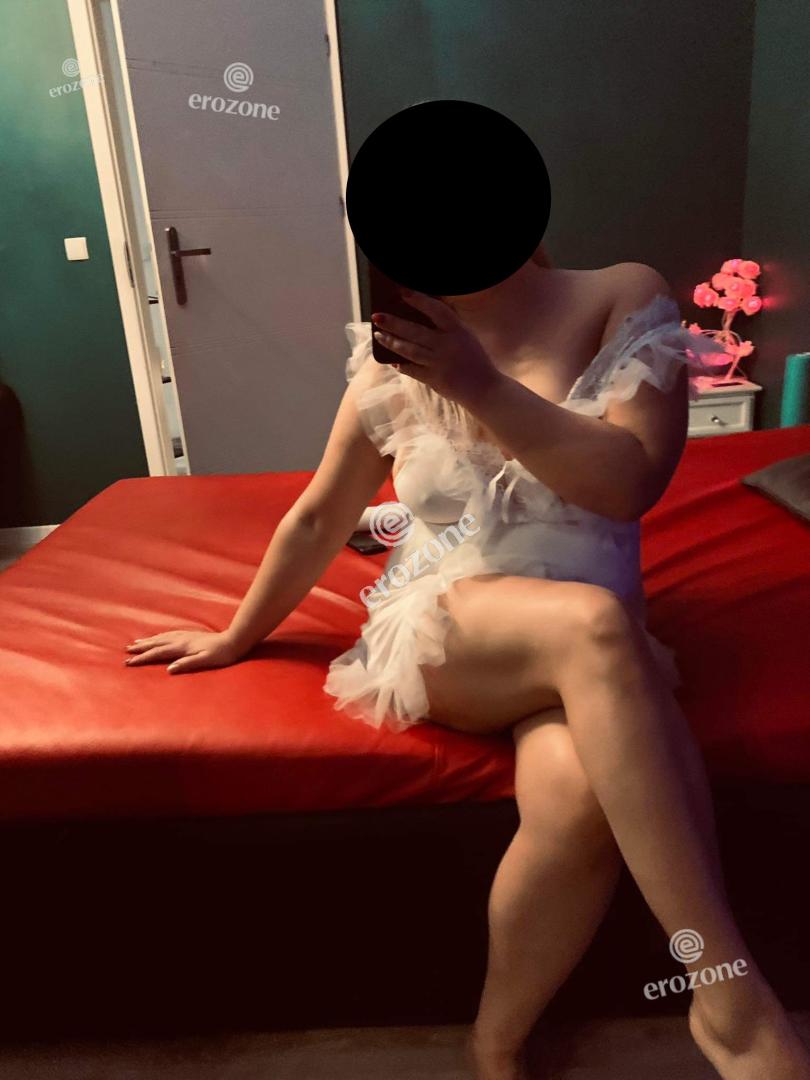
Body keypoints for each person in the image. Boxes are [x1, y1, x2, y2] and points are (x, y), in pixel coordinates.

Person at [124, 247, 810, 1080]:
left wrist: (480, 384)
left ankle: (494, 1043)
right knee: (592, 628)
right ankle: (728, 995)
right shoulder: (397, 361)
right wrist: (236, 635)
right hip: (451, 625)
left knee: (580, 798)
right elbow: (319, 517)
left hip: (586, 655)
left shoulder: (620, 298)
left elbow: (627, 486)